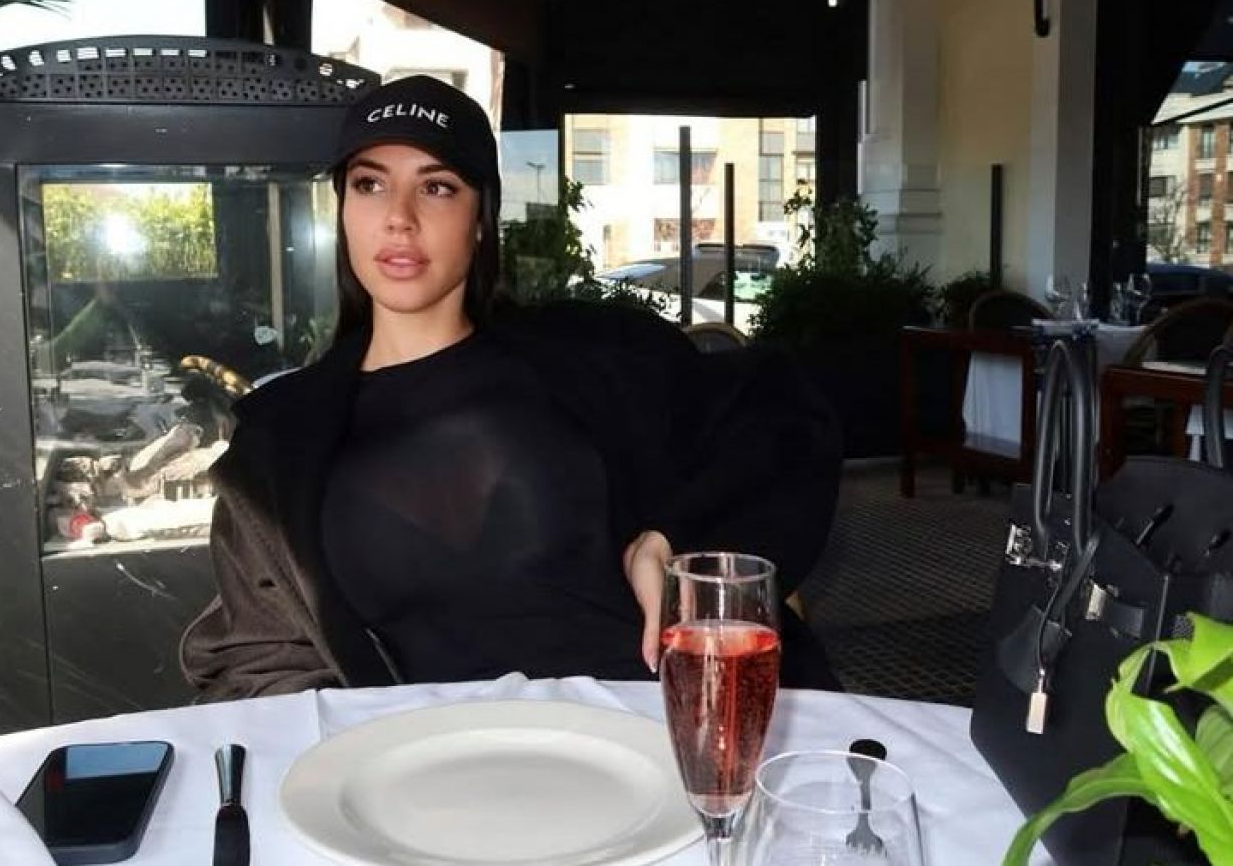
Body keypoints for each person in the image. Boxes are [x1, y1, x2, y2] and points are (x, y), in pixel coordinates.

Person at [180, 75, 842, 701]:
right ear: (344, 210)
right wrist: (359, 741)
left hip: (656, 727)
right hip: (438, 766)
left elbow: (783, 411)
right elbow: (251, 661)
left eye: (437, 187)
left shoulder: (594, 355)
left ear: (480, 218)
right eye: (370, 184)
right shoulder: (282, 441)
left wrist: (671, 539)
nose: (399, 217)